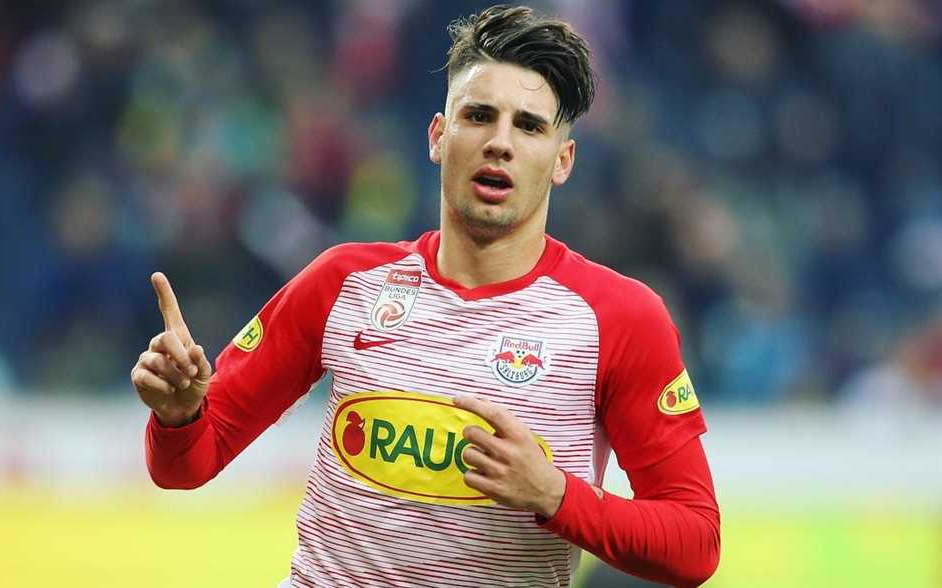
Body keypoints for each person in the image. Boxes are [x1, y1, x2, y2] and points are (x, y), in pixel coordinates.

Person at [132, 5, 720, 587]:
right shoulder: (343, 281)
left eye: (529, 126)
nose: (500, 143)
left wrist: (555, 495)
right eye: (479, 116)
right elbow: (186, 467)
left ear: (562, 160)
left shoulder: (619, 318)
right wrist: (179, 416)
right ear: (439, 136)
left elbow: (695, 545)